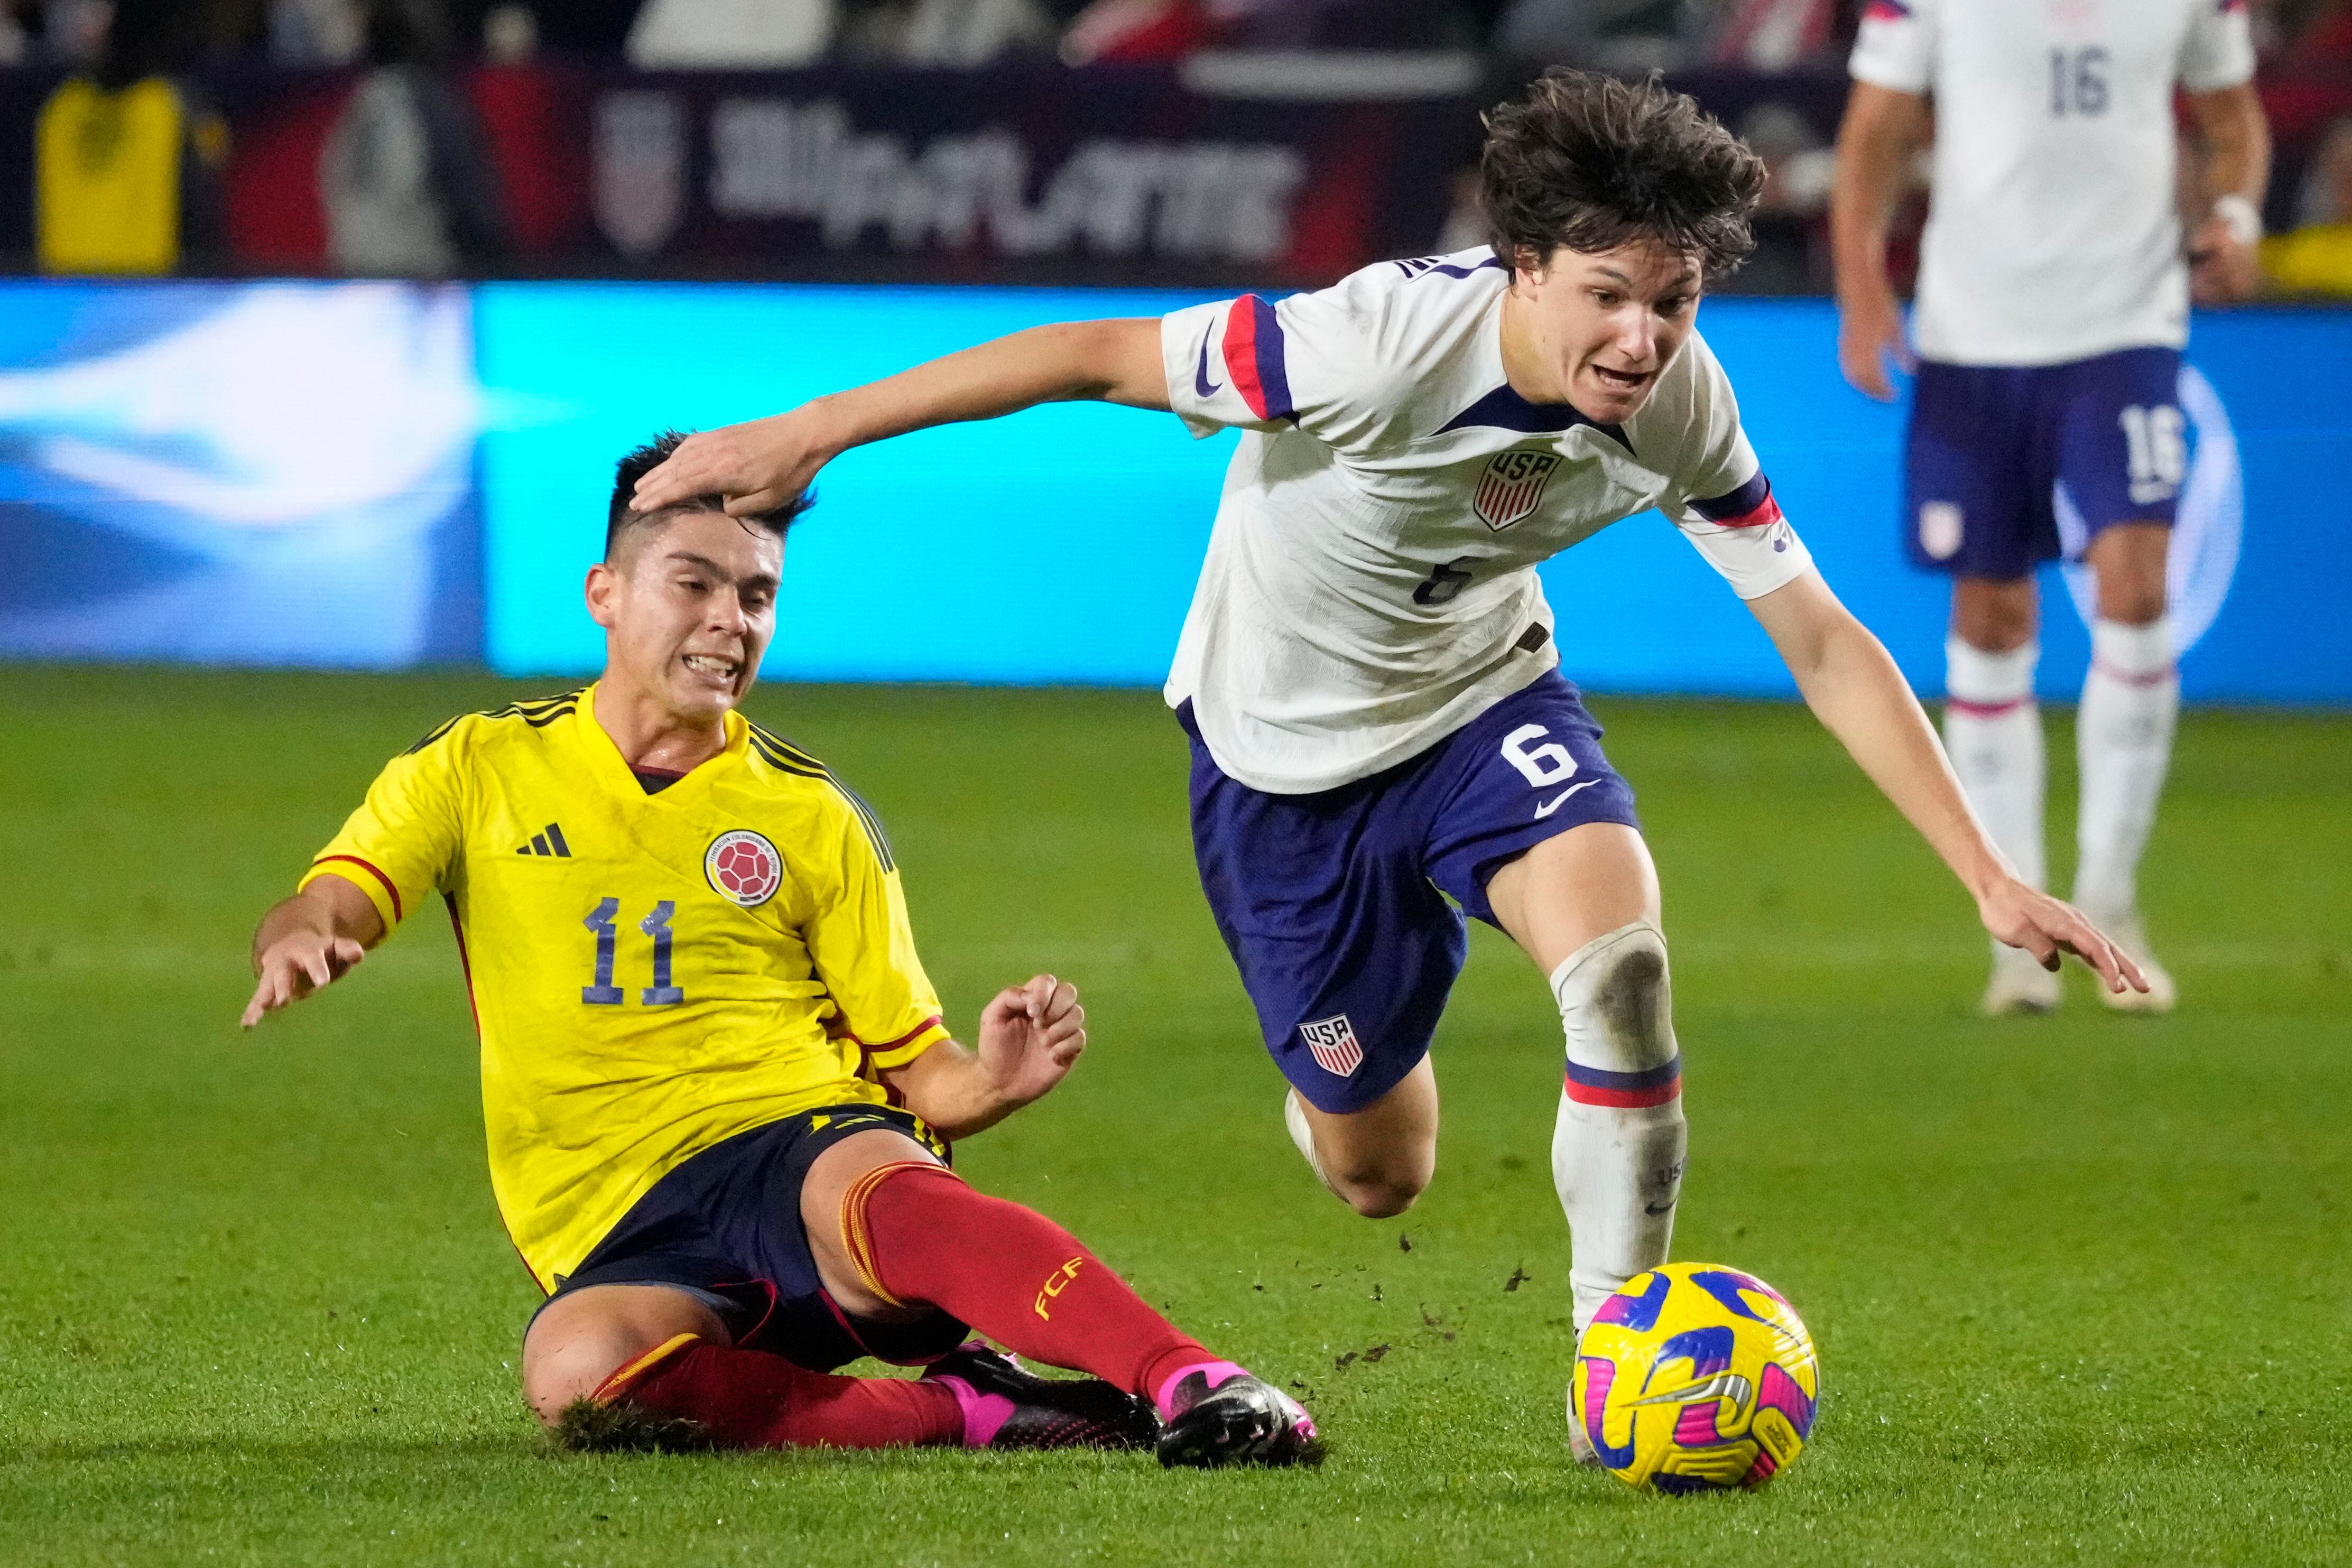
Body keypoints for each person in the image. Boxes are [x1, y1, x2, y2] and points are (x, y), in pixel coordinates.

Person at [628, 70, 2144, 1460]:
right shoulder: (1361, 342)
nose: (1640, 339)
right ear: (1525, 268)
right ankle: (1340, 1087)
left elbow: (1818, 640)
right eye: (1607, 295)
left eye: (1671, 304)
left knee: (1619, 971)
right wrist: (811, 432)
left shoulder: (1684, 404)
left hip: (1489, 707)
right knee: (1379, 1173)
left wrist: (1991, 877)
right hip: (1281, 767)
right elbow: (1087, 355)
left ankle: (1611, 1354)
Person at [240, 434, 1317, 1468]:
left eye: (756, 594)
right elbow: (328, 899)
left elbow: (919, 1072)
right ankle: (968, 1406)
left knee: (869, 1187)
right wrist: (309, 939)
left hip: (794, 1139)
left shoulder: (807, 816)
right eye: (692, 584)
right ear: (604, 594)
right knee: (578, 1376)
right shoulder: (477, 767)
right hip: (613, 1216)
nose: (728, 622)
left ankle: (1193, 1377)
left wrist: (987, 1080)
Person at [1830, 0, 2271, 1014]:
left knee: (2135, 583)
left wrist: (2235, 216)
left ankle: (2111, 897)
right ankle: (2018, 926)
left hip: (2125, 323)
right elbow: (1876, 130)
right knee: (1989, 610)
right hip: (1972, 332)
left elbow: (2232, 117)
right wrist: (1861, 288)